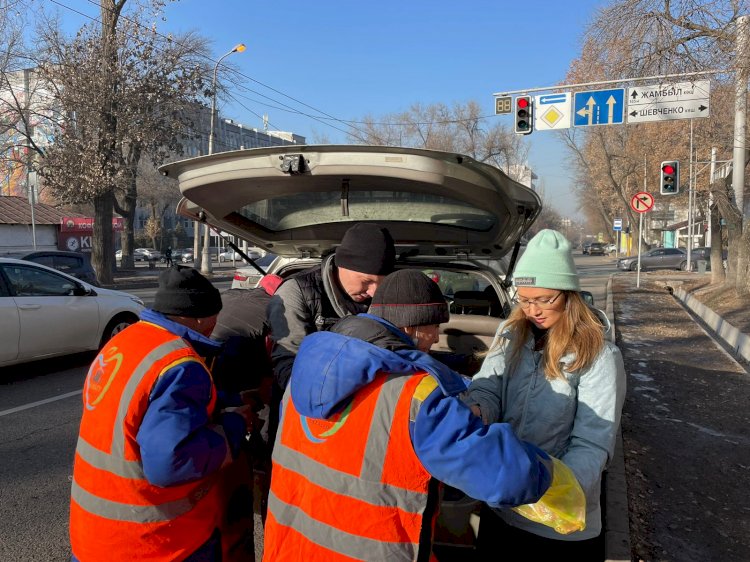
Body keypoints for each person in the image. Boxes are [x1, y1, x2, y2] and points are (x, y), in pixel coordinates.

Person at [262, 269, 582, 561]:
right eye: (435, 327)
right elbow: (506, 476)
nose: (435, 338)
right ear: (412, 326)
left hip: (291, 546)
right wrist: (551, 472)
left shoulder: (302, 376)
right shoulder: (417, 397)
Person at [69, 266, 257, 562]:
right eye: (214, 315)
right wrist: (234, 424)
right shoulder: (181, 365)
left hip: (95, 534)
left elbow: (140, 403)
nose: (216, 324)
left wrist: (216, 401)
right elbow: (172, 463)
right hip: (157, 543)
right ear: (198, 317)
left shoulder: (125, 342)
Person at [463, 229, 627, 559]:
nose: (533, 310)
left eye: (544, 299)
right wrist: (476, 408)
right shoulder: (511, 334)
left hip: (558, 524)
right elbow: (489, 387)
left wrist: (548, 488)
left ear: (569, 295)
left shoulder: (598, 356)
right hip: (502, 505)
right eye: (525, 300)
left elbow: (592, 443)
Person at [267, 222, 396, 391]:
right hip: (308, 405)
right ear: (343, 264)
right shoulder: (296, 292)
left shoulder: (386, 294)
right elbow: (288, 366)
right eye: (367, 281)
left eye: (381, 283)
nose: (374, 292)